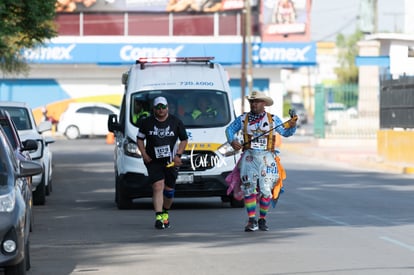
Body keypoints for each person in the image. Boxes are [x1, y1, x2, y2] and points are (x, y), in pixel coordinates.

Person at [225, 91, 297, 232]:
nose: (254, 104)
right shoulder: (242, 119)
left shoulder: (273, 119)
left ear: (264, 104)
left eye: (257, 101)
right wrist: (232, 141)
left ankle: (262, 219)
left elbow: (286, 133)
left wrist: (293, 124)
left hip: (267, 157)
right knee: (248, 187)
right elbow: (229, 130)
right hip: (249, 156)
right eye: (252, 101)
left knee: (266, 189)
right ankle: (252, 220)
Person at [136, 97, 188, 229]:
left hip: (170, 161)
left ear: (167, 108)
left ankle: (165, 213)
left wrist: (178, 156)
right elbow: (140, 139)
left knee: (169, 191)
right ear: (154, 109)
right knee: (158, 186)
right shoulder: (146, 122)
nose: (161, 110)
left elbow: (184, 140)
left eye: (163, 107)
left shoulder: (175, 122)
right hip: (153, 161)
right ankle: (159, 217)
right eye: (158, 107)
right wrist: (144, 154)